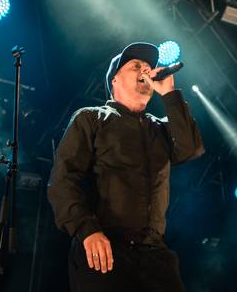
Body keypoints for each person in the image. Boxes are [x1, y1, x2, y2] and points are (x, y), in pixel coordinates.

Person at [48, 42, 205, 291]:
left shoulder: (161, 128)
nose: (145, 70)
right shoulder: (92, 118)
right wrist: (87, 229)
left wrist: (169, 95)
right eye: (136, 65)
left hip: (155, 255)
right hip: (105, 247)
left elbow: (191, 149)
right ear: (114, 80)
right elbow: (63, 180)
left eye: (148, 66)